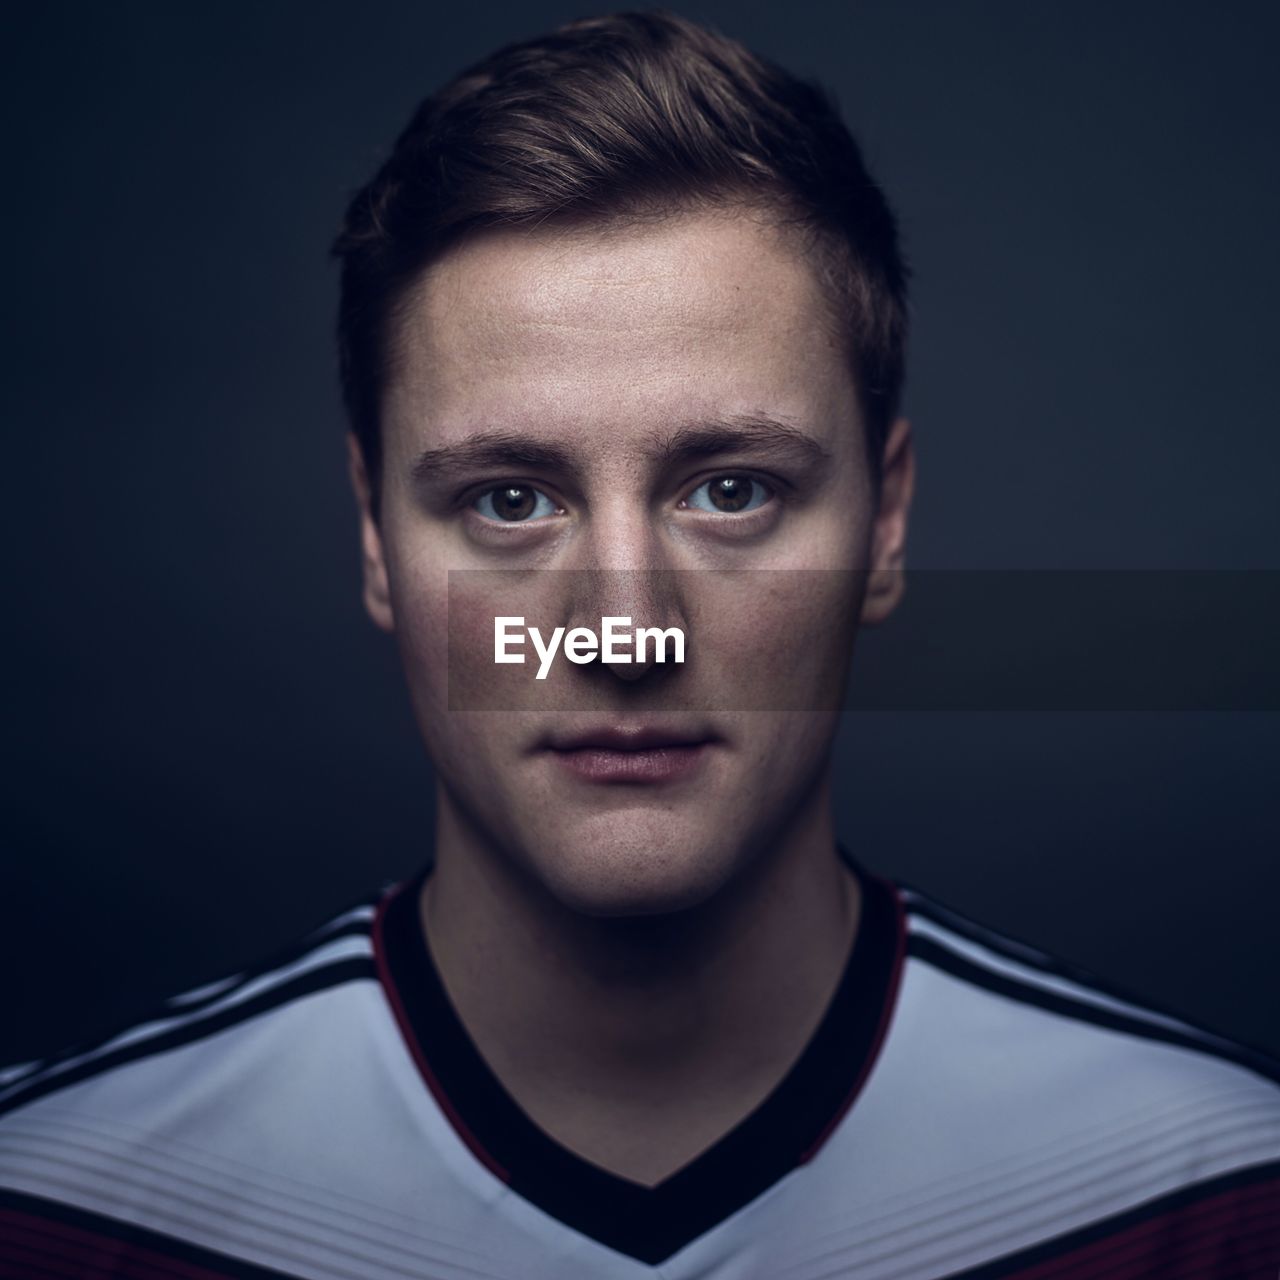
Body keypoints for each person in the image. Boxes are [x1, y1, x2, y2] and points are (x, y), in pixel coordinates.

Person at [2, 10, 1277, 1278]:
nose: (624, 629)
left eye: (730, 490)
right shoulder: (55, 1205)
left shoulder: (1213, 1196)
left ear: (884, 522)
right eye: (508, 499)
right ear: (378, 541)